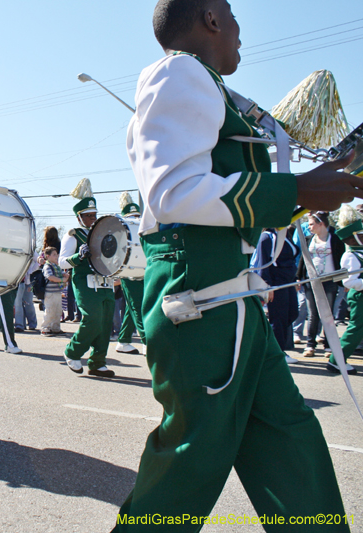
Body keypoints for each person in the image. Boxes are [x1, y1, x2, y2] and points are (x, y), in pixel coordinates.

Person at [115, 0, 355, 528]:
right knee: (186, 468)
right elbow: (175, 192)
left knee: (292, 447)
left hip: (233, 302)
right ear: (211, 19)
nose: (242, 32)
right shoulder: (179, 71)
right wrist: (296, 188)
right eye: (234, 15)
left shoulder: (207, 85)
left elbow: (220, 200)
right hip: (201, 305)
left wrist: (319, 186)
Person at [60, 190, 116, 378]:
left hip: (105, 282)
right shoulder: (73, 235)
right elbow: (62, 262)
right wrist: (79, 255)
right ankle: (72, 351)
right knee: (92, 319)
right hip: (85, 282)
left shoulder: (102, 234)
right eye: (88, 216)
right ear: (79, 217)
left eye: (94, 215)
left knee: (105, 323)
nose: (92, 218)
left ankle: (98, 362)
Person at [297, 211, 344, 357]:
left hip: (329, 281)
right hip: (312, 282)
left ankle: (328, 345)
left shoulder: (335, 240)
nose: (309, 227)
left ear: (321, 224)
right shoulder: (308, 239)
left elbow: (341, 260)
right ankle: (310, 345)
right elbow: (302, 260)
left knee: (327, 314)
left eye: (311, 224)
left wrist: (343, 281)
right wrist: (299, 278)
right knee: (313, 314)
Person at [327, 207, 361, 375]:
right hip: (360, 296)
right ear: (353, 237)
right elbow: (349, 281)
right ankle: (336, 361)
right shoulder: (350, 255)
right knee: (356, 329)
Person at [257, 226, 299, 360]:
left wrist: (295, 278)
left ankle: (276, 350)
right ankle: (277, 353)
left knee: (292, 314)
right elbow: (263, 263)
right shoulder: (267, 237)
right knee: (278, 319)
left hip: (288, 282)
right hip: (276, 284)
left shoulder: (285, 234)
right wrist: (267, 286)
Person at [115, 199, 146, 355]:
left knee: (131, 308)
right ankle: (148, 341)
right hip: (129, 275)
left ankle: (123, 340)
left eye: (137, 216)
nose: (136, 220)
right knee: (138, 307)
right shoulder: (120, 235)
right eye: (132, 217)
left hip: (142, 272)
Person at [40, 247, 67, 336]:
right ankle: (45, 328)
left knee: (58, 311)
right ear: (48, 256)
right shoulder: (47, 266)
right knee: (50, 311)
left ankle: (56, 328)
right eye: (54, 254)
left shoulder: (57, 266)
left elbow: (62, 275)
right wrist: (62, 280)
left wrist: (65, 276)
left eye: (57, 254)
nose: (57, 256)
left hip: (57, 292)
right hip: (50, 293)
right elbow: (50, 277)